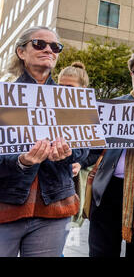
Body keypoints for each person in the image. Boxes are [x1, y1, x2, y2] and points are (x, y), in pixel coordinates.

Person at [0, 26, 89, 257]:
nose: (49, 50)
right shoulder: (3, 95)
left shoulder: (70, 100)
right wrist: (21, 161)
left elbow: (83, 150)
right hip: (6, 203)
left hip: (53, 207)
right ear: (21, 52)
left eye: (55, 46)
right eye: (40, 44)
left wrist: (67, 153)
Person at [81, 51, 134, 257]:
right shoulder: (113, 107)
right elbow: (92, 150)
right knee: (101, 252)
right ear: (132, 75)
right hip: (109, 191)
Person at [57, 61, 91, 228]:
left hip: (68, 186)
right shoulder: (45, 109)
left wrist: (80, 162)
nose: (63, 91)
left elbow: (96, 150)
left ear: (83, 90)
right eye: (60, 86)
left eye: (69, 87)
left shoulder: (90, 115)